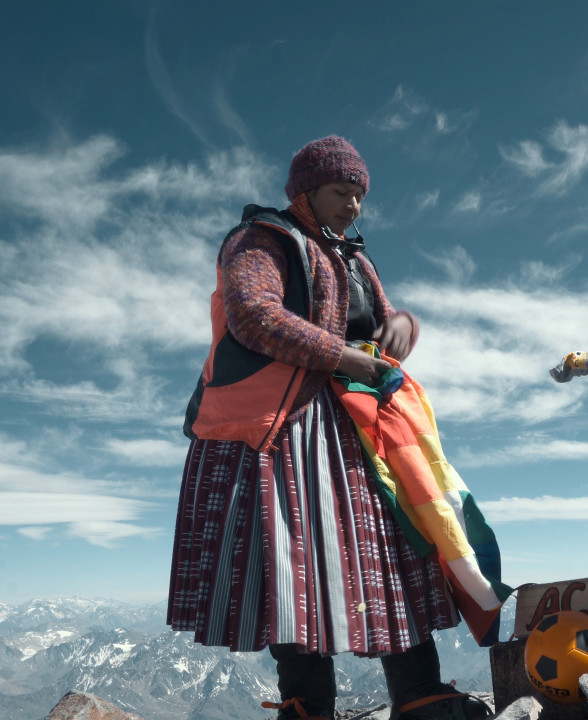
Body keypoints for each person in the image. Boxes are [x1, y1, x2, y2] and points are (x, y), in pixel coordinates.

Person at [168, 136, 493, 720]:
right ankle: (306, 704)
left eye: (360, 196)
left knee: (396, 548)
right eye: (342, 192)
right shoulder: (262, 240)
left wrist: (402, 326)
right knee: (290, 565)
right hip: (280, 431)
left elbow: (378, 322)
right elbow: (253, 314)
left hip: (357, 428)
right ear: (306, 191)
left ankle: (421, 694)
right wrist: (347, 358)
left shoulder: (353, 258)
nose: (354, 206)